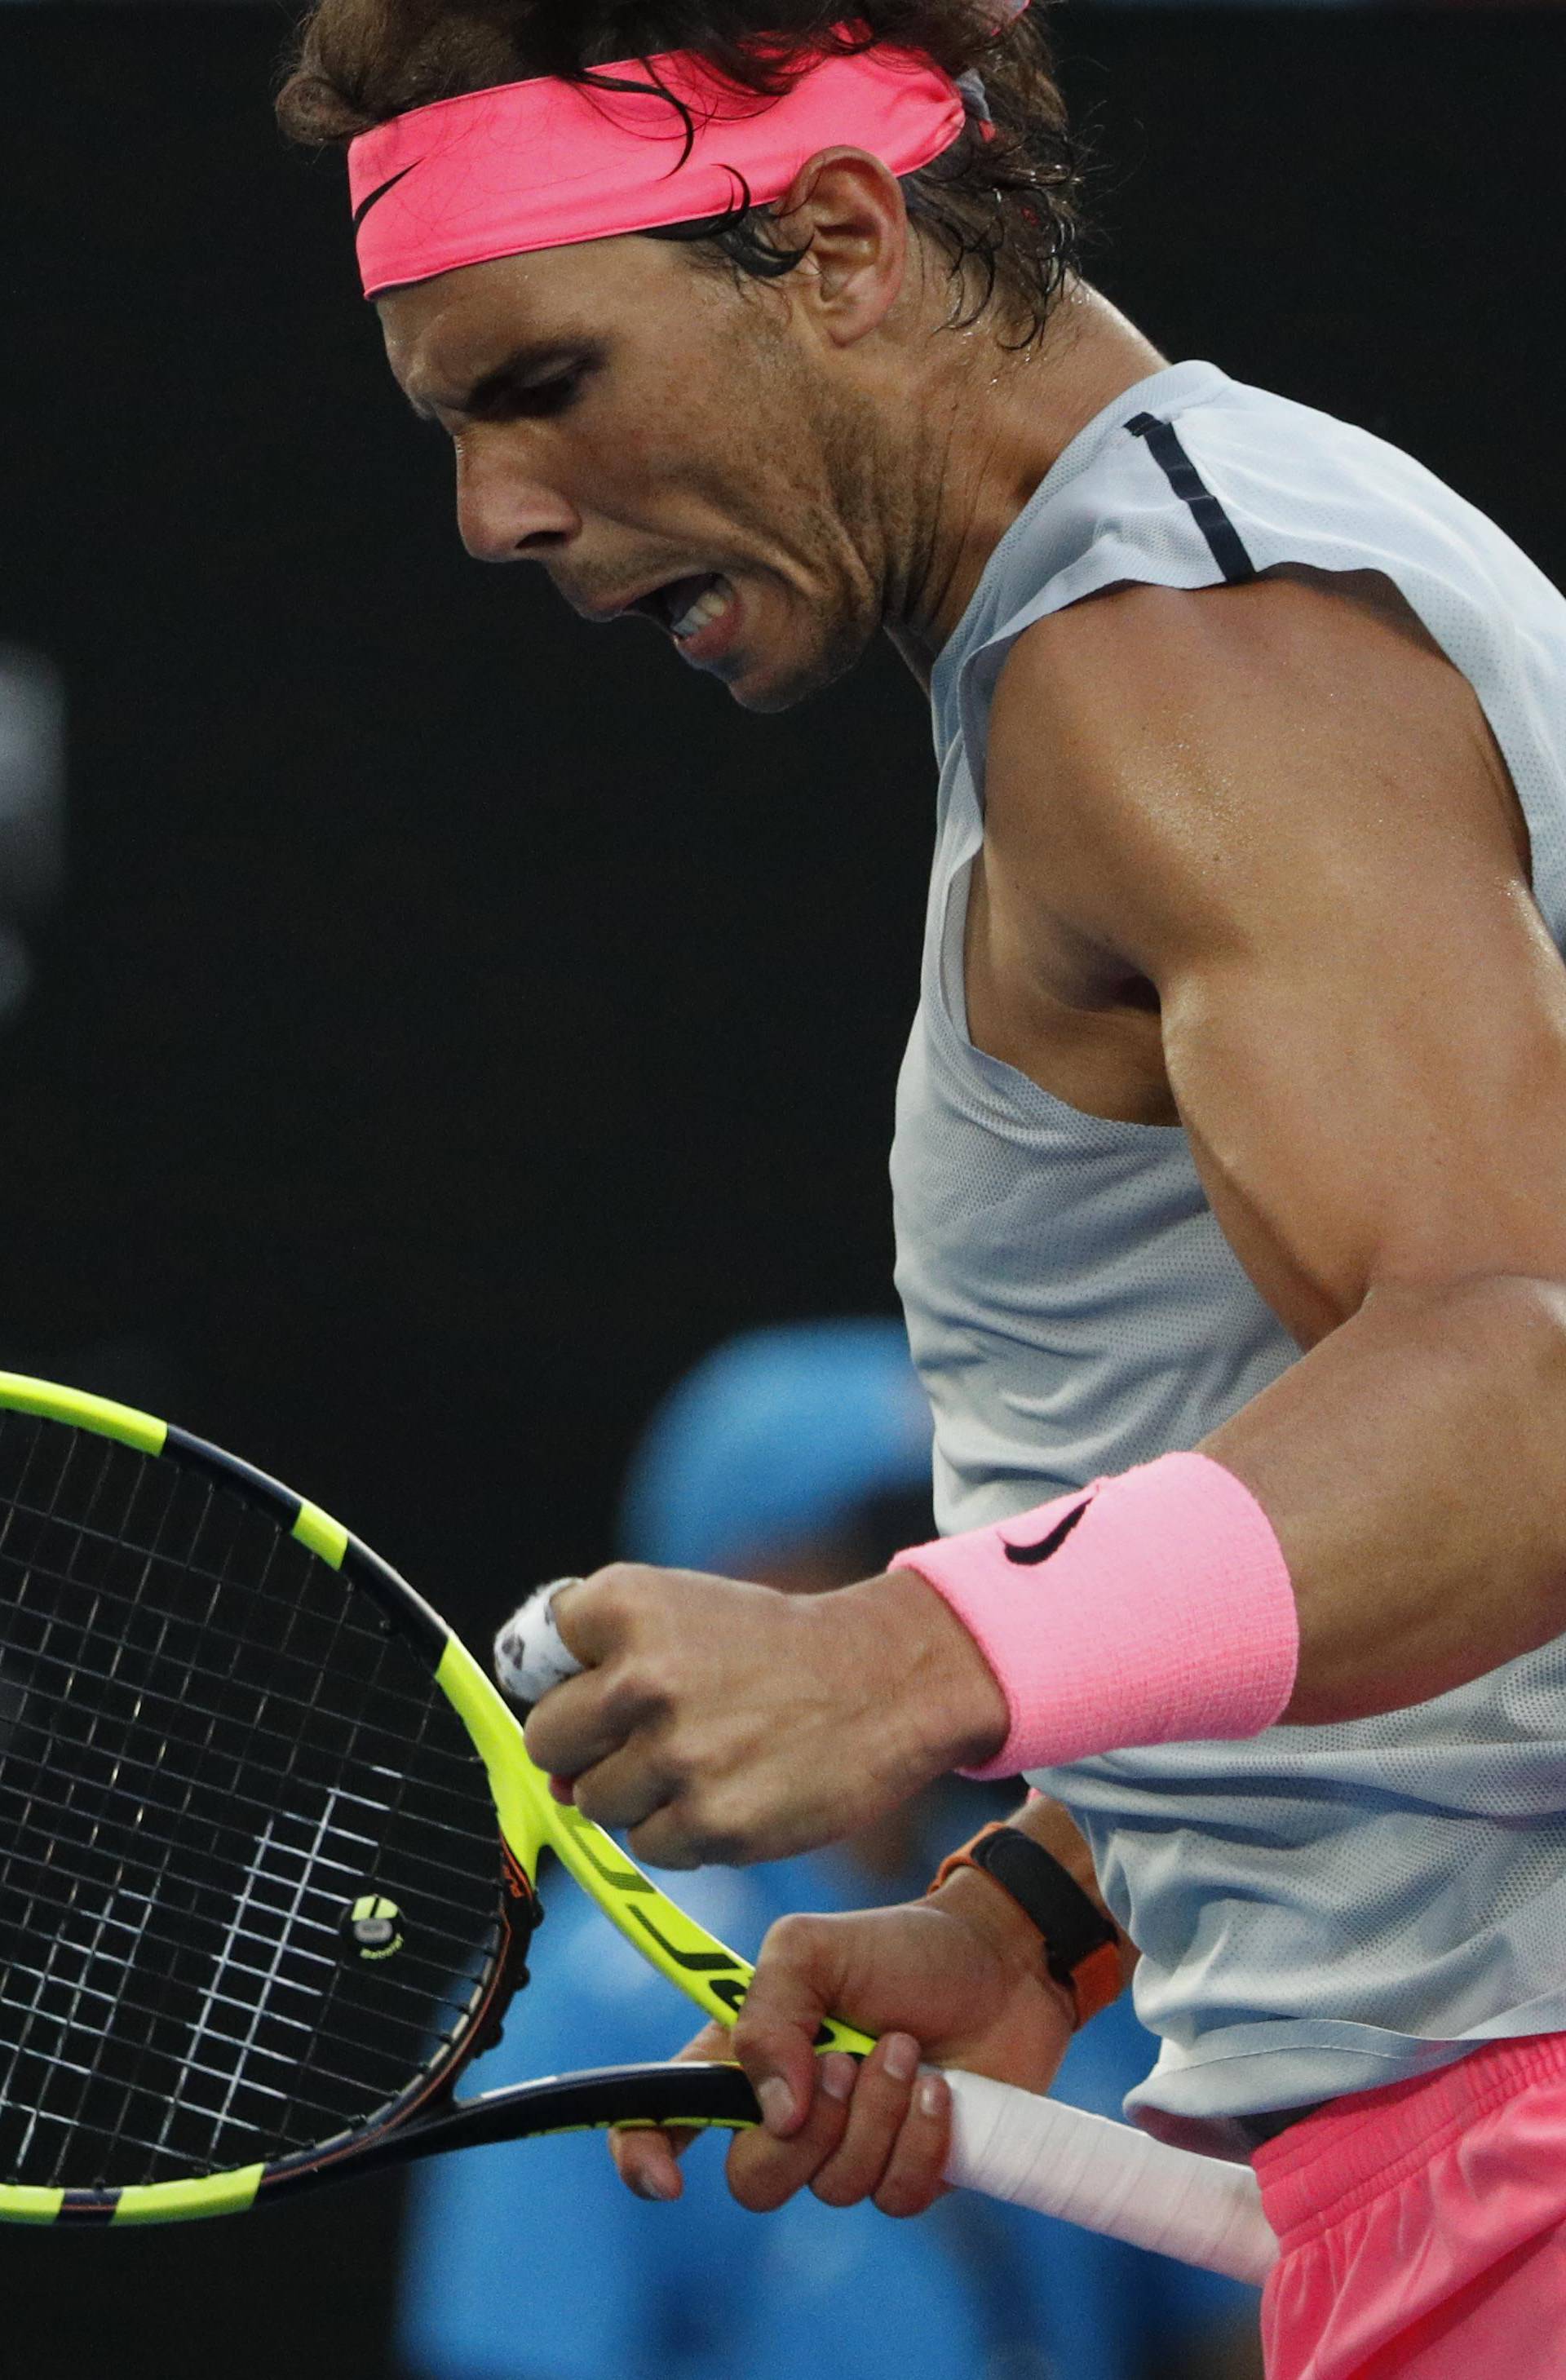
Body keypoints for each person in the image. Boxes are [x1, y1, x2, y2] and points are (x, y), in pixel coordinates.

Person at [275, 9, 1566, 2371]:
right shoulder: (1206, 600)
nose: (496, 513)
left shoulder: (1179, 660)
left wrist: (907, 1647)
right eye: (453, 429)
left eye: (542, 383)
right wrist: (1042, 1915)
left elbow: (1526, 1381)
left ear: (841, 248)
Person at [398, 1321, 1261, 2380]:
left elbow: (1236, 2333)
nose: (956, 1591)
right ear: (741, 1584)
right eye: (897, 1543)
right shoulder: (571, 2002)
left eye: (981, 1539)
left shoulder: (1076, 1916)